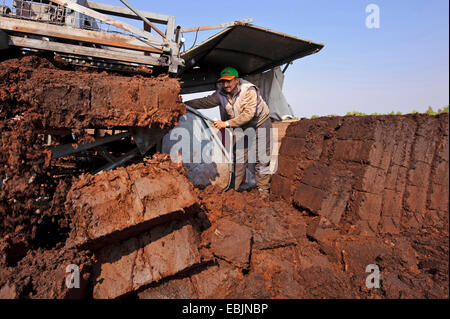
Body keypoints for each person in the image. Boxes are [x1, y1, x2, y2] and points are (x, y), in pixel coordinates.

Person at [184, 66, 272, 195]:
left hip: (260, 123)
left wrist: (225, 123)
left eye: (229, 81)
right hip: (241, 127)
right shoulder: (221, 93)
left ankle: (263, 191)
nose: (225, 84)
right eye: (223, 81)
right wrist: (184, 103)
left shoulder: (249, 90)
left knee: (263, 158)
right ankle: (234, 191)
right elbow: (205, 102)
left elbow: (248, 115)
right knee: (239, 159)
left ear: (236, 80)